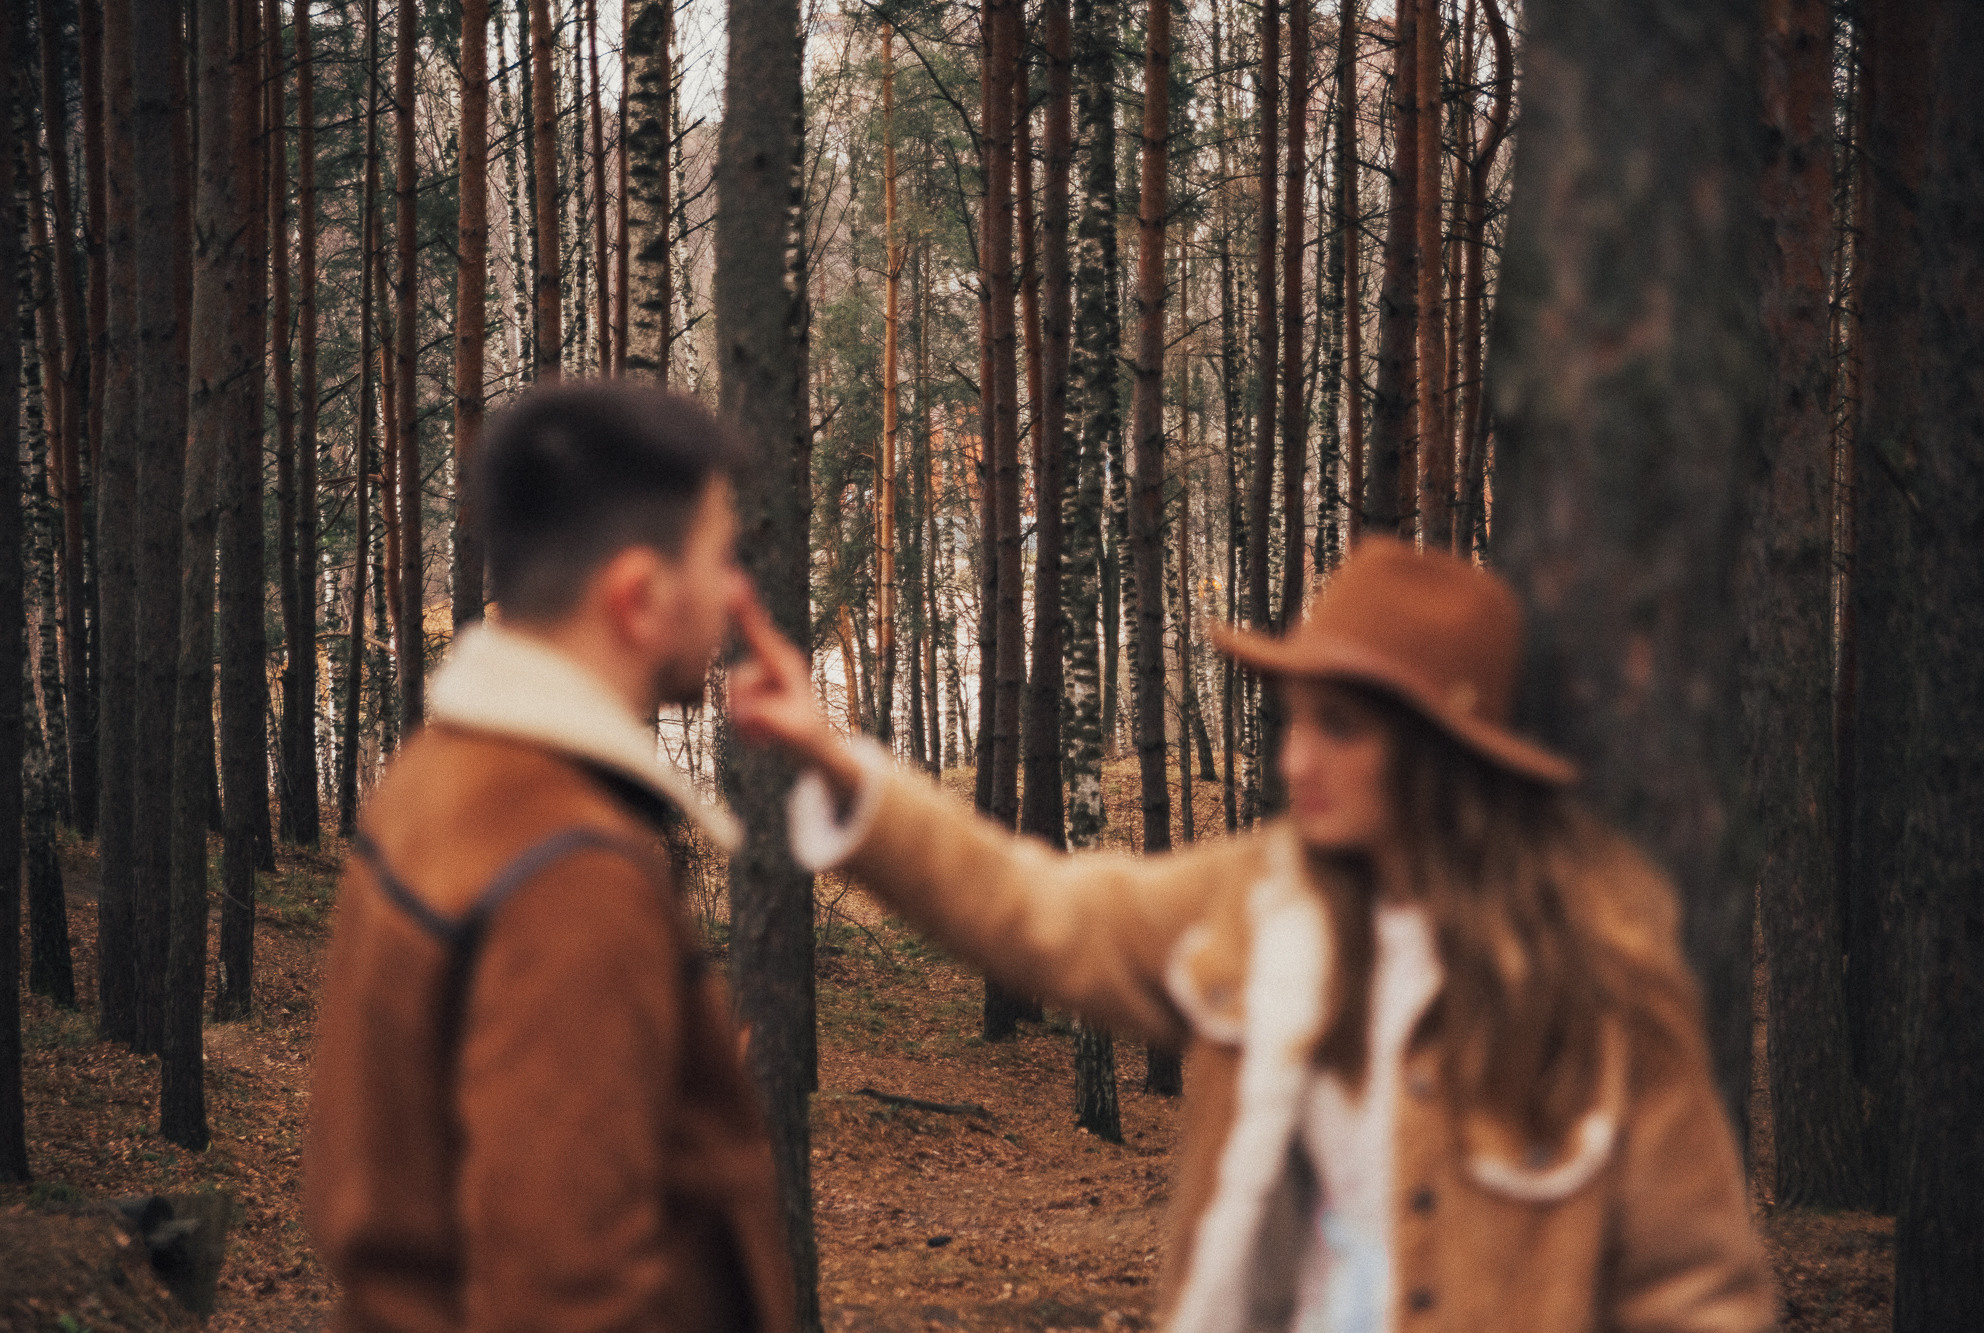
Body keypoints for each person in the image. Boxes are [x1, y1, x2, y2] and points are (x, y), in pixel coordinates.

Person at [727, 536, 1776, 1333]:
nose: (1297, 759)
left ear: (1437, 752)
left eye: (1341, 727)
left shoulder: (1593, 971)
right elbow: (1031, 908)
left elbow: (1696, 1290)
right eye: (1294, 721)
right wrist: (836, 760)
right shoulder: (1247, 908)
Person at [305, 382, 794, 1333]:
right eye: (720, 557)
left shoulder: (443, 771)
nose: (737, 592)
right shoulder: (573, 872)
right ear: (640, 596)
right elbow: (563, 1299)